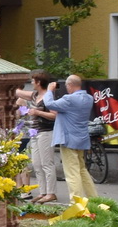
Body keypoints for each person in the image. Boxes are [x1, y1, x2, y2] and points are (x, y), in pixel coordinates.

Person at [31, 74, 98, 202]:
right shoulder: (88, 98)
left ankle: (76, 203)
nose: (66, 88)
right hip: (81, 139)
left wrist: (50, 90)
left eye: (67, 85)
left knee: (72, 173)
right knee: (82, 170)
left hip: (68, 139)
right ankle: (93, 199)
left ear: (71, 85)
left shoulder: (69, 99)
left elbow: (50, 104)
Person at [26, 72, 61, 203]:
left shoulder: (48, 97)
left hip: (45, 132)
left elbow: (54, 115)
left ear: (38, 82)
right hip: (34, 133)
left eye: (32, 81)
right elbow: (20, 93)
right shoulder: (35, 95)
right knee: (36, 163)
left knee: (47, 163)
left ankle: (51, 193)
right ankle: (43, 192)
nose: (31, 83)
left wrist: (37, 112)